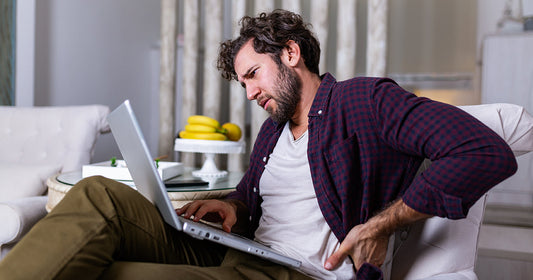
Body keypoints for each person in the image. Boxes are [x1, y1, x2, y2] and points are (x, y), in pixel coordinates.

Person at [0, 9, 516, 280]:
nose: (250, 94)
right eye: (243, 85)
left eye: (253, 76)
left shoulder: (363, 101)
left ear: (291, 53)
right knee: (99, 196)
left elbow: (483, 151)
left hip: (297, 273)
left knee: (112, 272)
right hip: (240, 253)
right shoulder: (272, 132)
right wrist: (229, 208)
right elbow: (254, 201)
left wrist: (382, 225)